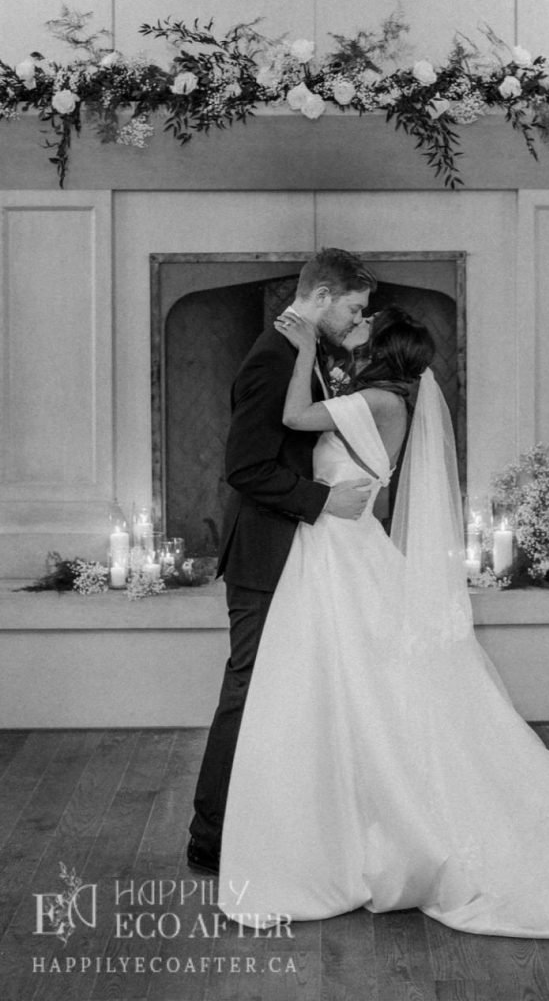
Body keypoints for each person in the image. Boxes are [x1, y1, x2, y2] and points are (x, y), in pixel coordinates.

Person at [217, 308, 549, 961]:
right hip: (340, 542)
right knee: (362, 678)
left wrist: (305, 350)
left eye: (367, 325)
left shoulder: (373, 400)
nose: (357, 327)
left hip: (340, 545)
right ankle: (349, 804)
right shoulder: (392, 400)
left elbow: (291, 420)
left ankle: (365, 817)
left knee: (354, 676)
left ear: (383, 350)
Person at [187, 247, 377, 876]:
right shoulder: (273, 357)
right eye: (353, 308)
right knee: (246, 689)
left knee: (278, 692)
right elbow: (244, 467)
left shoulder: (300, 352)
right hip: (265, 553)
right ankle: (209, 838)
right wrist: (325, 501)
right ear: (321, 295)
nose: (356, 320)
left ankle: (275, 822)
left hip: (293, 552)